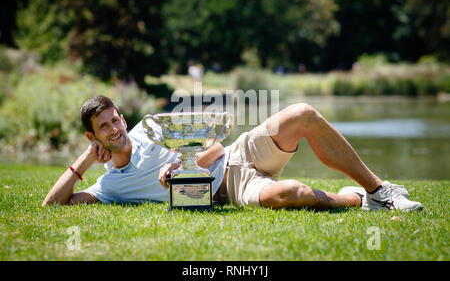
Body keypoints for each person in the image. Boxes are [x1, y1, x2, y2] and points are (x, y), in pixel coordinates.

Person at [42, 95, 423, 212]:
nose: (115, 129)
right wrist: (86, 161)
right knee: (289, 194)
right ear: (93, 136)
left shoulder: (152, 128)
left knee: (303, 114)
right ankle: (357, 201)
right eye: (104, 127)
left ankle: (380, 190)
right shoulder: (110, 186)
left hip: (240, 153)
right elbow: (52, 205)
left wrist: (184, 165)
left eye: (115, 120)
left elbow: (217, 143)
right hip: (232, 186)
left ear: (123, 118)